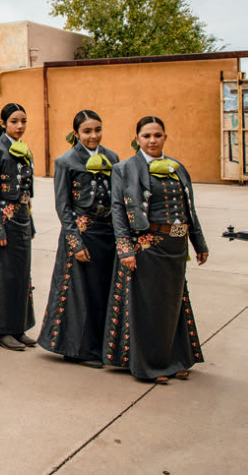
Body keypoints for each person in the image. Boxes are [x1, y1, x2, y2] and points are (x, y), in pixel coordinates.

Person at [104, 116, 209, 383]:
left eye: (158, 135)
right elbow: (118, 210)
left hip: (176, 247)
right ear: (137, 138)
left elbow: (189, 208)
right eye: (147, 136)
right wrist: (125, 248)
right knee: (148, 307)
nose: (152, 141)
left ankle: (174, 360)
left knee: (172, 306)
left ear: (165, 137)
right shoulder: (124, 169)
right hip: (147, 246)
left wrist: (199, 242)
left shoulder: (177, 168)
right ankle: (150, 365)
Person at [38, 110, 120, 367]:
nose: (93, 135)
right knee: (80, 293)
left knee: (103, 290)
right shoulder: (66, 161)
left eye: (97, 129)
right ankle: (78, 349)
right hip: (82, 234)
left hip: (107, 232)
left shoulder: (111, 157)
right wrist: (75, 242)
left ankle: (102, 345)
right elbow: (63, 205)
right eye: (87, 131)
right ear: (76, 134)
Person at [0, 103, 37, 351]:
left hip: (22, 219)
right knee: (3, 275)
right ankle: (1, 331)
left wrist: (30, 222)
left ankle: (18, 327)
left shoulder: (25, 151)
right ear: (3, 124)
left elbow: (26, 193)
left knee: (22, 275)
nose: (20, 126)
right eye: (14, 121)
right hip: (3, 221)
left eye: (23, 121)